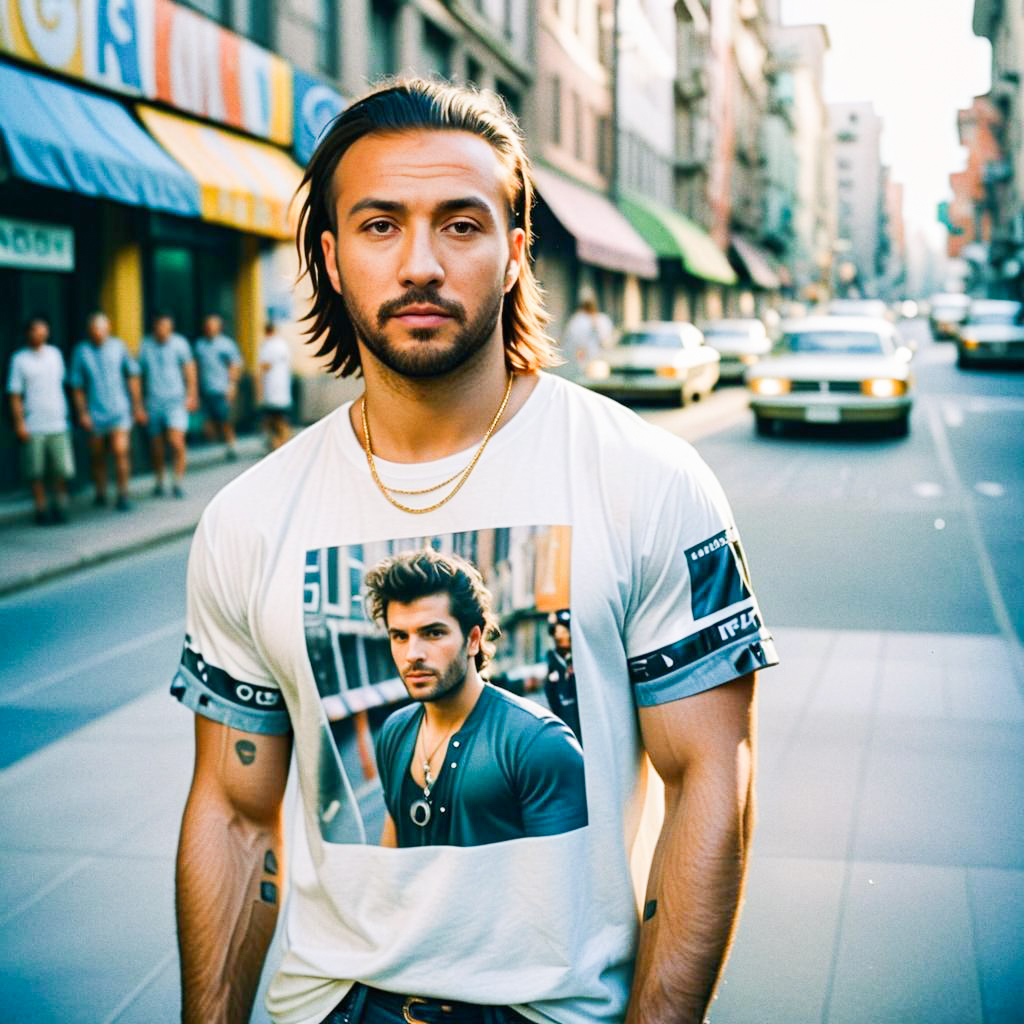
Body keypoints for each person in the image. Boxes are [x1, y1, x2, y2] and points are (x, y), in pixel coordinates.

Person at [171, 79, 777, 1024]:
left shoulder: (649, 480)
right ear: (329, 260)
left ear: (512, 254)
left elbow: (710, 779)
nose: (420, 263)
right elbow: (234, 811)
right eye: (379, 226)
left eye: (460, 224)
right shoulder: (249, 519)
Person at [364, 549, 587, 848]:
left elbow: (563, 880)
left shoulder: (539, 743)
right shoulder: (394, 732)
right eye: (400, 636)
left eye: (432, 633)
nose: (412, 654)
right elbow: (389, 865)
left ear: (473, 639)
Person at [69, 312, 144, 512]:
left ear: (108, 329)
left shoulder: (119, 347)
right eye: (95, 329)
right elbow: (77, 385)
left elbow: (133, 375)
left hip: (119, 409)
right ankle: (101, 492)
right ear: (89, 331)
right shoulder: (81, 351)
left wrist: (137, 406)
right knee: (97, 455)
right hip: (95, 412)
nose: (99, 333)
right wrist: (82, 412)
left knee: (121, 452)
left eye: (102, 328)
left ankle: (123, 494)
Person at [6, 314, 75, 525]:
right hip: (34, 424)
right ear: (28, 333)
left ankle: (60, 505)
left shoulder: (55, 354)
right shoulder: (19, 359)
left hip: (57, 422)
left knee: (62, 469)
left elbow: (62, 385)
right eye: (36, 329)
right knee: (35, 471)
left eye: (43, 329)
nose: (40, 333)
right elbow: (15, 395)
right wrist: (19, 423)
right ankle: (41, 508)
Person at [138, 312, 197, 498]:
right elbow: (138, 376)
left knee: (176, 442)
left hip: (176, 401)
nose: (163, 331)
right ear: (155, 327)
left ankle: (177, 482)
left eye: (167, 327)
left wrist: (192, 395)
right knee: (156, 446)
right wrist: (139, 405)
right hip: (154, 402)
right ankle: (159, 480)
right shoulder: (145, 346)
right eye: (160, 327)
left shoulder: (180, 344)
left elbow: (189, 369)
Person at [194, 314, 243, 461]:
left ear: (219, 327)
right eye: (208, 325)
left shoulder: (226, 344)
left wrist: (232, 385)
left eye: (213, 325)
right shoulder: (200, 345)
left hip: (222, 388)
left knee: (225, 420)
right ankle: (218, 441)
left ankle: (231, 446)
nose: (210, 328)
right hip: (206, 388)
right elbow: (196, 366)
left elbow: (234, 364)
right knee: (209, 421)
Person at [543, 609, 582, 743]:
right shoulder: (553, 659)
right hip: (564, 713)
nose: (561, 636)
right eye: (558, 632)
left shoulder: (580, 655)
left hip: (582, 714)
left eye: (565, 631)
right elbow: (550, 690)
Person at [561, 286, 613, 374]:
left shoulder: (597, 319)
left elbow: (570, 336)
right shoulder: (580, 319)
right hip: (586, 354)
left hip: (593, 355)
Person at [258, 320, 292, 450]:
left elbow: (264, 366)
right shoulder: (282, 345)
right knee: (280, 418)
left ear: (266, 331)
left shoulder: (268, 346)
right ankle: (283, 441)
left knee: (274, 419)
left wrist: (259, 389)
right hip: (282, 390)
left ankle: (278, 443)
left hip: (272, 391)